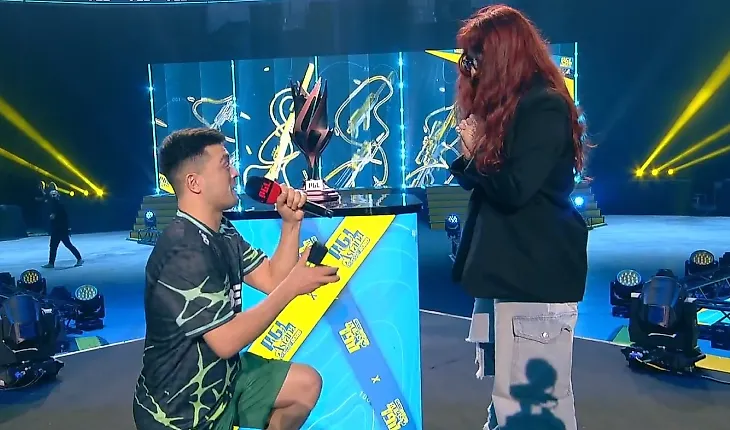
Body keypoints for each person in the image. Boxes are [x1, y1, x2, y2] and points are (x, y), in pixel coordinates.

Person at [133, 128, 339, 430]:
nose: (235, 173)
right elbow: (226, 341)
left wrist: (291, 224)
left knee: (305, 384)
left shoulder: (222, 230)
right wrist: (292, 288)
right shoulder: (183, 250)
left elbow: (272, 278)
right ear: (194, 183)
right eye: (224, 164)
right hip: (180, 413)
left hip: (223, 381)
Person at [449, 5, 589, 430]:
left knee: (534, 408)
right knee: (507, 401)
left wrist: (475, 153)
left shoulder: (543, 106)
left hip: (534, 275)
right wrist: (472, 156)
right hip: (507, 277)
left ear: (505, 54)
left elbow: (515, 189)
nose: (471, 67)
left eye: (478, 56)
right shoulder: (514, 107)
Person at [41, 183, 83, 269]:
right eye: (52, 194)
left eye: (54, 194)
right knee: (53, 246)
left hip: (61, 228)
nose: (53, 195)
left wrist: (67, 227)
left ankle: (79, 259)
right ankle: (51, 263)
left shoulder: (59, 204)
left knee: (67, 244)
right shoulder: (53, 203)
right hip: (56, 228)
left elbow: (64, 216)